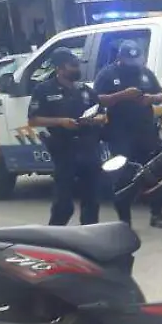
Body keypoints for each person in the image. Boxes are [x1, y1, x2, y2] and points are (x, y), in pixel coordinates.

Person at [94, 39, 162, 229]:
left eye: (137, 61)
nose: (134, 66)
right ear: (120, 57)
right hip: (119, 134)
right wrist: (121, 96)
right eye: (130, 62)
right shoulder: (107, 74)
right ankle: (124, 220)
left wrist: (151, 98)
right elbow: (96, 100)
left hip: (146, 131)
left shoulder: (145, 73)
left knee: (155, 172)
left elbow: (161, 94)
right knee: (123, 176)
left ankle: (157, 213)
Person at [28, 48, 107, 226]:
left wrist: (92, 120)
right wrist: (61, 121)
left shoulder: (85, 90)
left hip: (88, 148)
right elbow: (33, 119)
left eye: (77, 65)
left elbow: (102, 115)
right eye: (72, 66)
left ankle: (90, 236)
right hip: (63, 149)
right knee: (63, 204)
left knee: (92, 200)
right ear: (60, 68)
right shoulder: (44, 89)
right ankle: (53, 238)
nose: (77, 69)